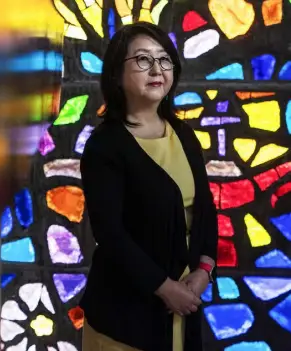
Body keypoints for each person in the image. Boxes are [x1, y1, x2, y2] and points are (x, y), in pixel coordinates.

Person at [79, 22, 218, 351]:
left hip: (184, 303)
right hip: (125, 314)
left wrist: (203, 270)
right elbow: (110, 233)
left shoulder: (183, 134)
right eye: (143, 60)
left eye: (164, 59)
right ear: (116, 74)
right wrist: (164, 288)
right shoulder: (105, 146)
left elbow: (205, 209)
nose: (157, 69)